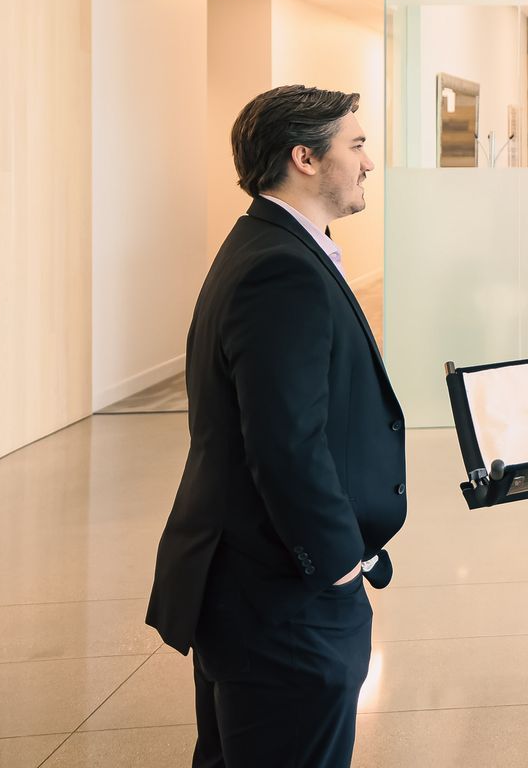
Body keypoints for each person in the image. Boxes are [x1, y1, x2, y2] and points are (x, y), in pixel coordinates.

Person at [146, 86, 406, 768]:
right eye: (355, 145)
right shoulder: (280, 269)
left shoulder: (272, 244)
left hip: (251, 586)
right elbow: (286, 445)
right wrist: (340, 570)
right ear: (305, 159)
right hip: (282, 598)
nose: (368, 162)